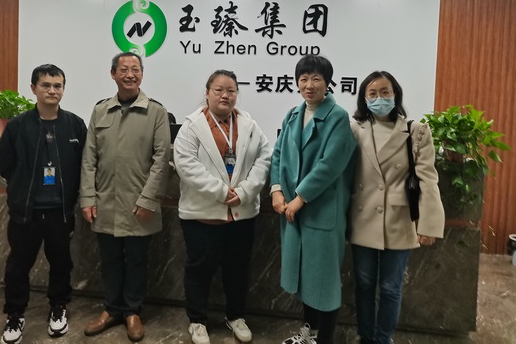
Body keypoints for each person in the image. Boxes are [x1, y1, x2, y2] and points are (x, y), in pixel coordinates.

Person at [174, 70, 271, 344]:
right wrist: (219, 191)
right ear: (207, 93)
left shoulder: (249, 125)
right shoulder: (192, 126)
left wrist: (245, 191)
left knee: (237, 269)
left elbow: (264, 157)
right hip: (202, 215)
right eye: (219, 90)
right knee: (199, 269)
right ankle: (197, 320)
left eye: (231, 90)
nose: (225, 95)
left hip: (241, 214)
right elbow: (185, 164)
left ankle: (235, 316)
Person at [79, 51, 171, 342]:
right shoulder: (100, 111)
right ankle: (112, 310)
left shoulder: (156, 112)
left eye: (135, 69)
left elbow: (162, 160)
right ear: (113, 74)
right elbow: (89, 159)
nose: (130, 74)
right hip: (105, 202)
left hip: (138, 204)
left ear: (142, 74)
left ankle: (132, 311)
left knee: (136, 261)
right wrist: (87, 198)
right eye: (124, 69)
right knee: (110, 261)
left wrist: (148, 199)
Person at [348, 71, 445, 344]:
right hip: (362, 215)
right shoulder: (354, 129)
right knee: (364, 284)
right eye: (372, 93)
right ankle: (366, 336)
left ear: (395, 94)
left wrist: (428, 225)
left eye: (385, 92)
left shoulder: (416, 131)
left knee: (391, 287)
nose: (379, 98)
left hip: (399, 218)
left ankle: (383, 339)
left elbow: (428, 179)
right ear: (364, 98)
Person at [0, 64, 87, 344]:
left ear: (63, 90)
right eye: (46, 85)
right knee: (17, 266)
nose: (52, 91)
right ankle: (15, 315)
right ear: (33, 88)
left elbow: (84, 164)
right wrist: (21, 187)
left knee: (61, 263)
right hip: (27, 212)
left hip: (60, 212)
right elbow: (5, 163)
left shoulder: (74, 125)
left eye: (58, 86)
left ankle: (58, 308)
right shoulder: (17, 126)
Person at [270, 55, 356, 344]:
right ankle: (309, 332)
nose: (309, 85)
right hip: (293, 211)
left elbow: (331, 164)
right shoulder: (293, 115)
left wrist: (300, 197)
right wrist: (276, 189)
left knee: (324, 281)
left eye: (316, 79)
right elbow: (278, 154)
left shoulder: (338, 117)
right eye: (304, 78)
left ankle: (325, 338)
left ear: (327, 83)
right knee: (306, 278)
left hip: (321, 211)